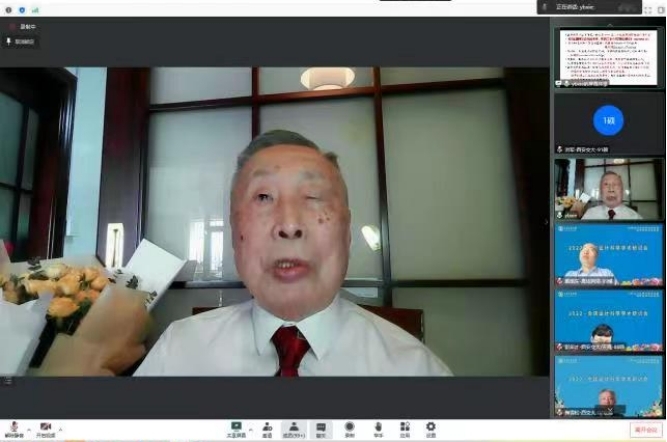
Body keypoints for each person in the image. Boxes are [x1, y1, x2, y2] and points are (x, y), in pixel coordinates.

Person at [135, 130, 452, 376]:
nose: (288, 225)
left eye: (312, 196)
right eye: (263, 197)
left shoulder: (414, 369)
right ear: (234, 233)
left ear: (347, 232)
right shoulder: (177, 353)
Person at [572, 172, 642, 220]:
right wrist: (573, 214)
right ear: (600, 191)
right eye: (606, 184)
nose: (611, 189)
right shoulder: (589, 215)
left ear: (622, 190)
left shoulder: (635, 218)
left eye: (615, 184)